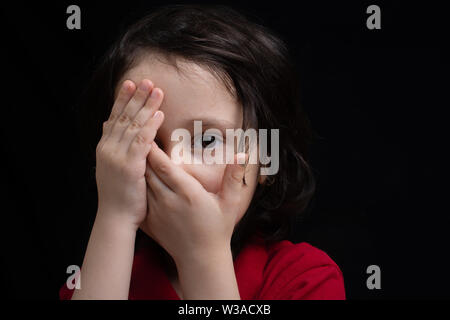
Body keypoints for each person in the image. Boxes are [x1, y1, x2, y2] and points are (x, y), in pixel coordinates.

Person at [59, 4, 345, 300]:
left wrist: (201, 255)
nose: (174, 166)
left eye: (207, 141)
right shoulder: (100, 279)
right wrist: (115, 215)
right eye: (146, 142)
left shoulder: (306, 279)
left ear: (265, 160)